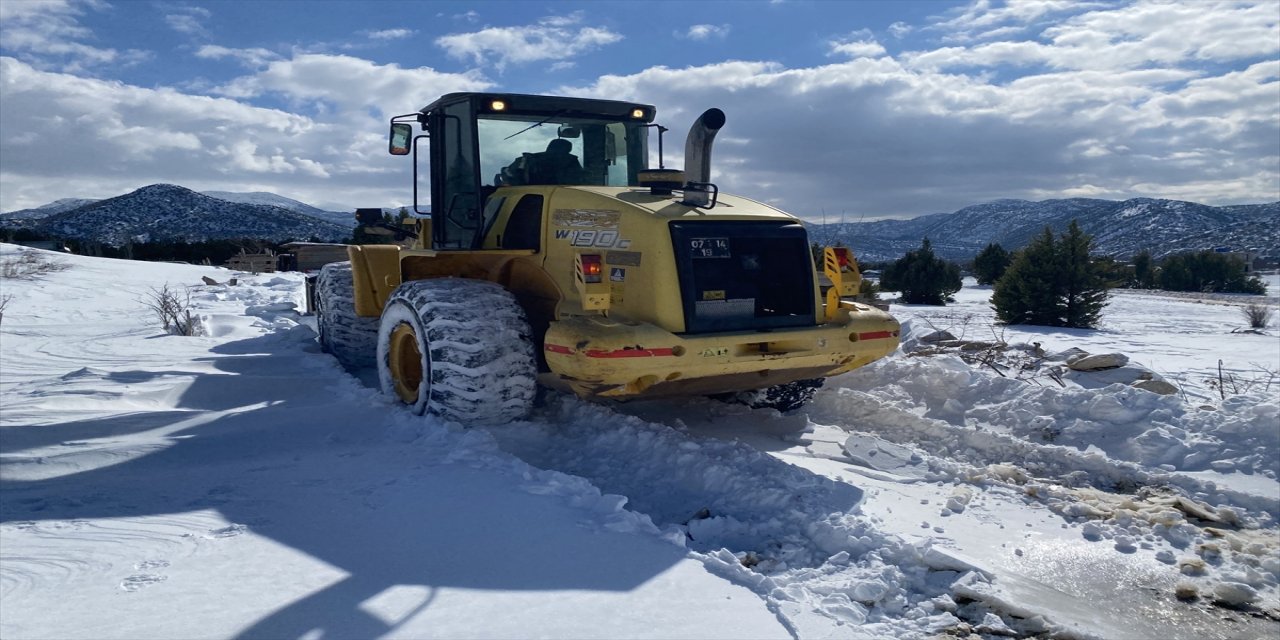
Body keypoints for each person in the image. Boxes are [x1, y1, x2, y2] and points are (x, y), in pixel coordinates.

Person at [501, 138, 583, 185]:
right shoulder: (572, 162)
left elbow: (507, 174)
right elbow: (582, 180)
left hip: (527, 198)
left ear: (549, 147)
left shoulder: (526, 159)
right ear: (569, 150)